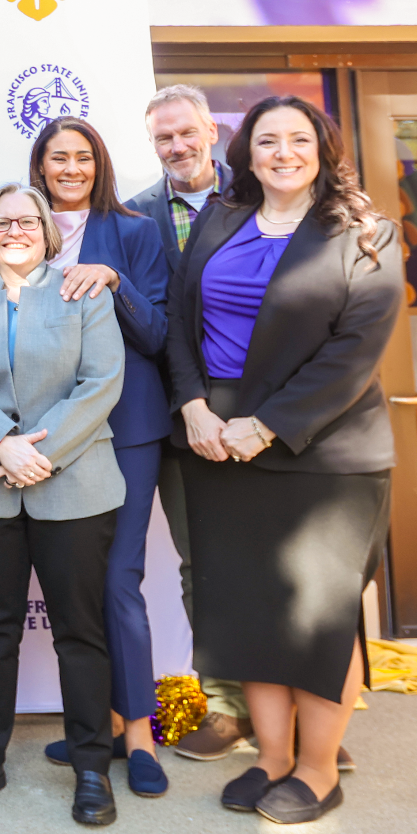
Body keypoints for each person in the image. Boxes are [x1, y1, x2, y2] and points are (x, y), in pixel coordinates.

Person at [166, 96, 402, 825]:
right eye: (267, 139)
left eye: (299, 139)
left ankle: (317, 767)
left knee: (318, 618)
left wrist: (266, 424)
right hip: (215, 444)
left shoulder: (366, 233)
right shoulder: (219, 218)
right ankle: (269, 757)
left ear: (322, 150)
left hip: (323, 450)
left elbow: (353, 352)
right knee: (248, 612)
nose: (283, 152)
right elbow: (179, 321)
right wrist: (195, 406)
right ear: (246, 153)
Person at [0, 182, 125, 825]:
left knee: (80, 628)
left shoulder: (83, 295)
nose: (14, 231)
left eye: (27, 221)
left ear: (48, 232)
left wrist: (38, 453)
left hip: (75, 484)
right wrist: (1, 447)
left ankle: (92, 764)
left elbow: (101, 383)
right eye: (0, 223)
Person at [30, 116, 173, 798]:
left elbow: (157, 333)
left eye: (83, 157)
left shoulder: (136, 231)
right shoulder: (20, 229)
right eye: (59, 157)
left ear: (99, 164)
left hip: (127, 430)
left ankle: (139, 735)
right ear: (40, 165)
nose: (71, 168)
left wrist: (114, 280)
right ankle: (99, 724)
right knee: (73, 586)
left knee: (118, 580)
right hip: (49, 430)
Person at [122, 85, 253, 762]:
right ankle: (228, 705)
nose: (176, 146)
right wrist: (190, 404)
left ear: (211, 128)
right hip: (178, 419)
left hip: (262, 414)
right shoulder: (137, 214)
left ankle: (293, 708)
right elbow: (157, 323)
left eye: (185, 132)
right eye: (162, 138)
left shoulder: (261, 193)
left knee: (275, 565)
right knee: (202, 566)